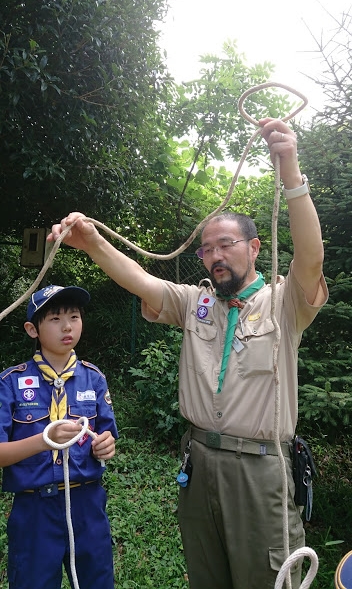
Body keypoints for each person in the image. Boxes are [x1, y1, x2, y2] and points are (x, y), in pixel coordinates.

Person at [49, 117, 328, 589]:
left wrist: (291, 173)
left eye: (226, 244)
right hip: (198, 463)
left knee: (266, 578)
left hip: (262, 471)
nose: (215, 255)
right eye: (205, 250)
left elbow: (311, 259)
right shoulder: (195, 302)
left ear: (255, 248)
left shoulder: (285, 302)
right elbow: (140, 279)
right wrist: (93, 242)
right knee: (207, 578)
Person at [0, 285, 118, 589]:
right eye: (54, 319)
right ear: (32, 329)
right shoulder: (10, 383)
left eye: (74, 316)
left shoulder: (94, 378)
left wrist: (105, 446)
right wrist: (45, 439)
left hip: (87, 504)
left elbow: (107, 440)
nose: (67, 326)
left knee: (97, 581)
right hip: (35, 510)